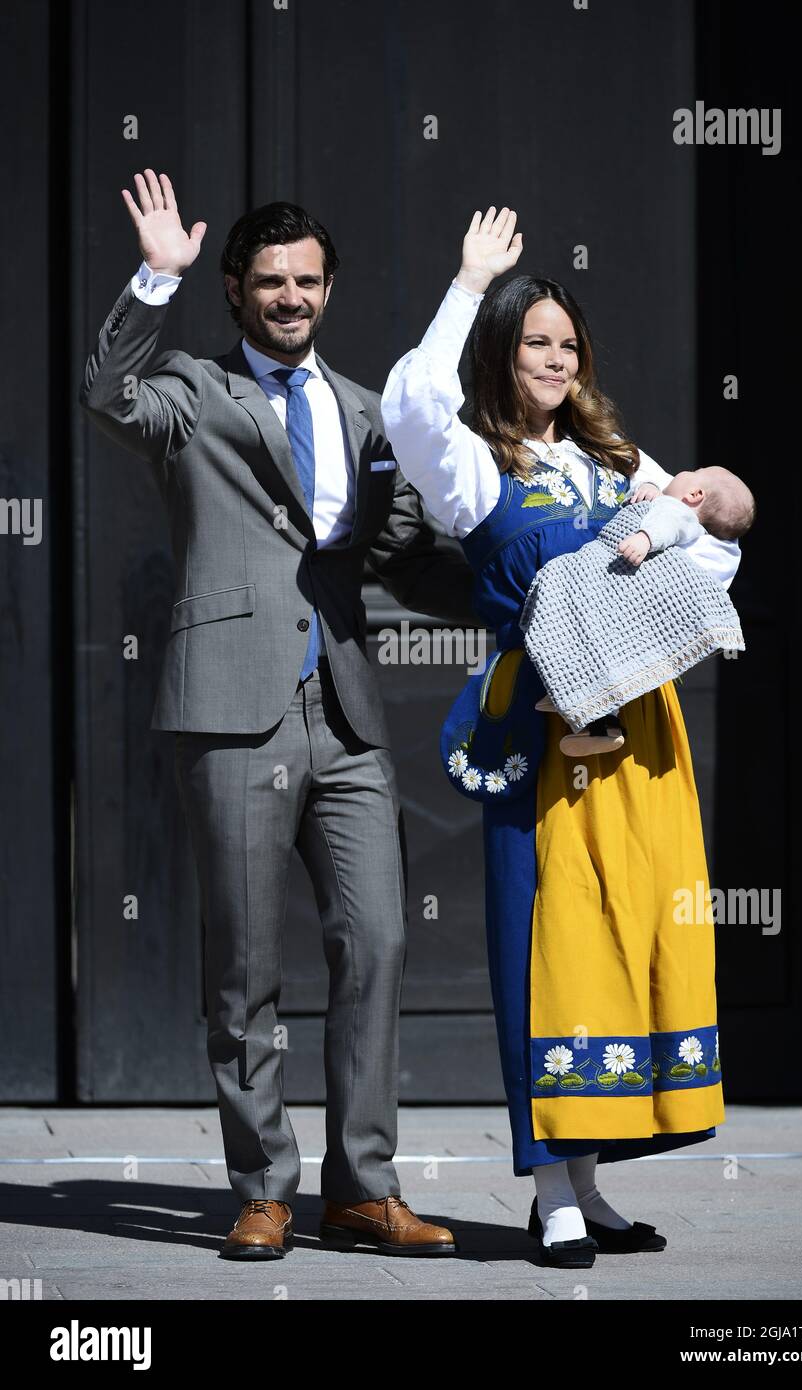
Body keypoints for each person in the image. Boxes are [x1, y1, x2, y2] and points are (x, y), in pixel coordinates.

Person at [79, 168, 482, 1261]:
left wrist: (519, 593)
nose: (290, 297)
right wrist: (148, 283)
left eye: (307, 280)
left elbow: (401, 549)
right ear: (233, 289)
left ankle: (362, 1189)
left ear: (329, 288)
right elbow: (106, 393)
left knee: (380, 943)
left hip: (344, 712)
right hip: (230, 709)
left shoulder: (365, 412)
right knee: (245, 967)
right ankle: (261, 1185)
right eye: (269, 281)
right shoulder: (195, 395)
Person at [381, 206, 740, 1267]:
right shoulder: (475, 465)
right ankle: (549, 1188)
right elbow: (408, 403)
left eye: (566, 343)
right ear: (500, 351)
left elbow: (712, 541)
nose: (553, 356)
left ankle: (593, 1179)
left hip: (638, 726)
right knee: (541, 949)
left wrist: (679, 530)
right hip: (539, 724)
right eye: (534, 339)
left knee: (621, 944)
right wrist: (464, 285)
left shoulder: (615, 454)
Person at [523, 465, 755, 755]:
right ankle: (581, 703)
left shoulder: (676, 513)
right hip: (654, 609)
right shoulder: (706, 539)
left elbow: (669, 519)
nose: (682, 470)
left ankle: (582, 696)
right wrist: (653, 492)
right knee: (621, 652)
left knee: (575, 596)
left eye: (695, 471)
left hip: (633, 582)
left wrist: (645, 537)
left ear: (695, 494)